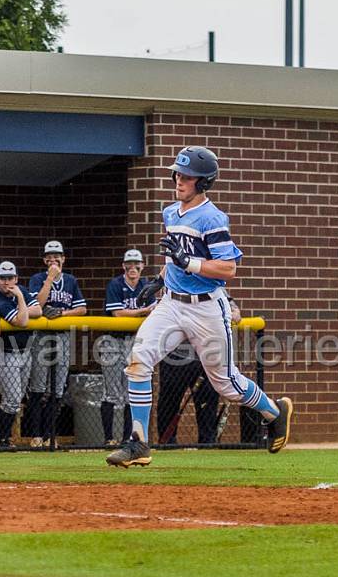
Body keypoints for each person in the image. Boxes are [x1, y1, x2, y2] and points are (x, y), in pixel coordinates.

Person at [106, 145, 293, 468]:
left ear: (203, 182)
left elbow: (227, 269)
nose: (179, 180)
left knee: (227, 383)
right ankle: (138, 443)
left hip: (206, 307)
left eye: (187, 176)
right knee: (138, 361)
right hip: (171, 304)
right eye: (178, 173)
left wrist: (187, 262)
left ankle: (274, 413)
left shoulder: (212, 218)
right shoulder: (169, 212)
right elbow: (174, 257)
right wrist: (160, 278)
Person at [25, 241, 87, 446]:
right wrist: (50, 279)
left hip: (62, 335)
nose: (53, 260)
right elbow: (38, 304)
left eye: (57, 256)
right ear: (44, 260)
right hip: (41, 334)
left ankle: (50, 436)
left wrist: (62, 313)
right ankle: (35, 435)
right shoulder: (37, 279)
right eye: (49, 257)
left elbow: (82, 309)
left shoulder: (70, 280)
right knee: (38, 386)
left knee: (58, 387)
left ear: (63, 258)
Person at [98, 249, 156, 446]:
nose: (133, 268)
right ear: (123, 266)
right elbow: (117, 314)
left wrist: (141, 312)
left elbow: (153, 312)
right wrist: (142, 311)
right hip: (113, 341)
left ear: (142, 266)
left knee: (130, 392)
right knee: (112, 392)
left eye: (136, 264)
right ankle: (108, 438)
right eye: (129, 264)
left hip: (136, 340)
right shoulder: (115, 284)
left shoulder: (146, 285)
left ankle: (126, 438)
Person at [0, 261, 33, 447]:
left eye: (10, 278)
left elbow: (38, 310)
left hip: (25, 352)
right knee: (12, 399)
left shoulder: (21, 291)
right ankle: (1, 439)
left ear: (16, 278)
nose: (7, 282)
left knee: (16, 398)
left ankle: (3, 438)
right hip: (5, 352)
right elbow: (22, 321)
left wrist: (22, 304)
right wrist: (21, 299)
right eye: (3, 278)